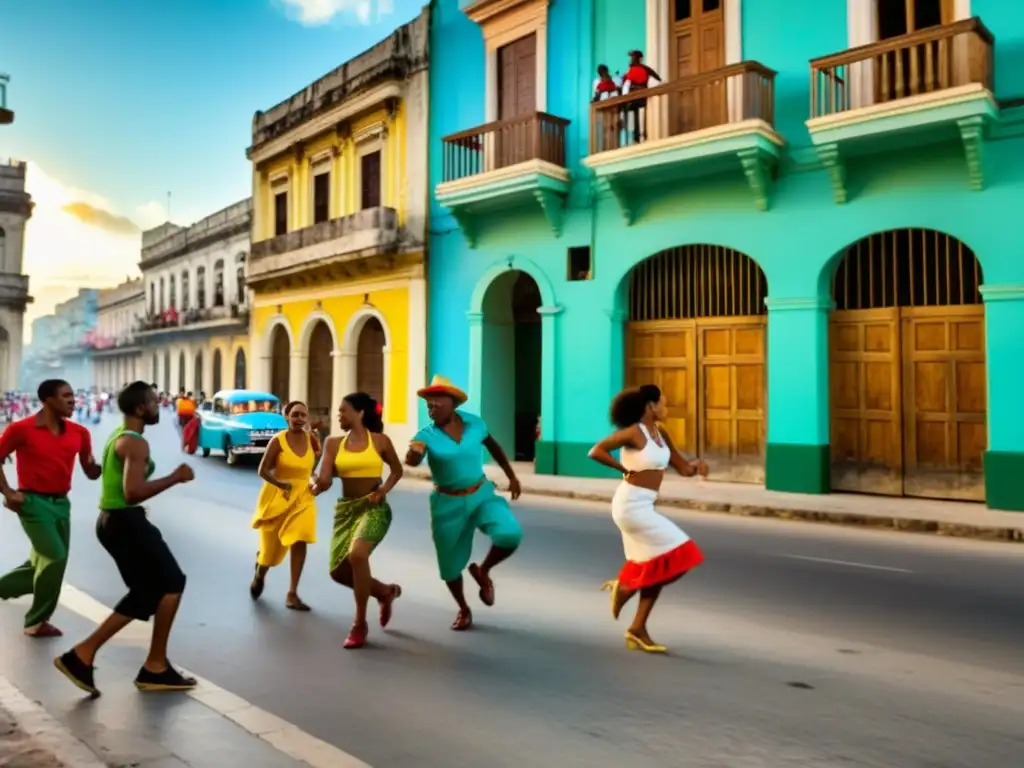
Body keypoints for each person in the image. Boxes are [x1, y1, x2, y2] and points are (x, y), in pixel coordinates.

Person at [53, 381, 196, 696]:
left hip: (115, 522)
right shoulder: (134, 443)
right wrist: (175, 477)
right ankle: (149, 665)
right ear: (140, 408)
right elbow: (131, 493)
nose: (158, 406)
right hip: (124, 521)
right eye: (153, 402)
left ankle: (90, 657)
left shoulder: (121, 438)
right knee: (170, 582)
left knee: (150, 591)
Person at [588, 384, 708, 653]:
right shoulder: (634, 433)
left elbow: (683, 468)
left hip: (645, 506)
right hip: (630, 506)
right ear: (650, 407)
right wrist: (623, 469)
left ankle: (637, 629)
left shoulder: (660, 433)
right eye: (662, 403)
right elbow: (596, 451)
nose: (666, 408)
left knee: (659, 566)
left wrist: (696, 465)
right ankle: (626, 589)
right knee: (683, 554)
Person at [405, 375, 523, 631]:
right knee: (449, 566)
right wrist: (413, 454)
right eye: (428, 403)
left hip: (481, 493)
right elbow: (413, 457)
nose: (431, 406)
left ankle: (483, 571)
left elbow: (493, 446)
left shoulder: (474, 423)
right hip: (447, 504)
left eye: (437, 401)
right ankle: (463, 608)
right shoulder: (425, 435)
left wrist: (511, 476)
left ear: (452, 403)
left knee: (510, 534)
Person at [0, 379, 101, 638]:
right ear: (48, 400)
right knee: (54, 556)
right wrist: (9, 492)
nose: (72, 400)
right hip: (32, 503)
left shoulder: (80, 433)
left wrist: (102, 466)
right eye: (66, 396)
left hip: (62, 504)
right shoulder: (20, 429)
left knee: (44, 563)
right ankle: (36, 621)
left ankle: (2, 588)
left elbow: (90, 471)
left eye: (73, 395)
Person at [313, 392, 403, 649]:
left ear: (360, 413)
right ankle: (385, 592)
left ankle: (359, 624)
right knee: (338, 572)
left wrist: (382, 491)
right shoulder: (332, 443)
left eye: (343, 410)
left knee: (358, 556)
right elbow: (326, 480)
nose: (338, 415)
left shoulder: (380, 441)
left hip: (374, 509)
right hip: (346, 511)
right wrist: (314, 486)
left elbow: (397, 471)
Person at [249, 401, 319, 610]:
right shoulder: (277, 441)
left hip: (303, 498)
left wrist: (314, 481)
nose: (299, 419)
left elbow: (311, 470)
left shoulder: (312, 440)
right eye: (295, 414)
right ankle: (260, 571)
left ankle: (292, 593)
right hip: (278, 497)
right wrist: (281, 484)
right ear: (286, 417)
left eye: (303, 415)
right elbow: (263, 470)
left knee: (301, 538)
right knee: (270, 553)